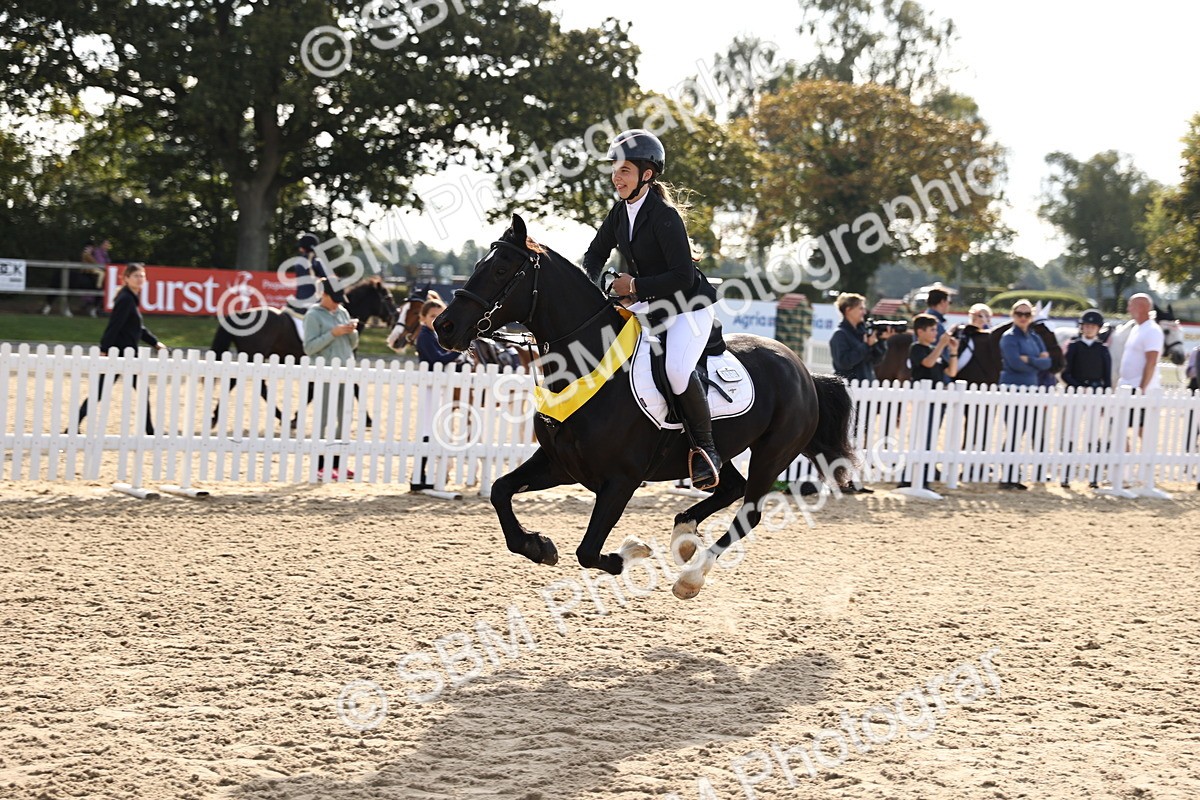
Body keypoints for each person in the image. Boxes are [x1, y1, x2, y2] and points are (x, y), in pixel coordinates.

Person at [580, 128, 722, 490]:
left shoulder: (664, 216)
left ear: (647, 174)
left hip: (689, 306)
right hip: (651, 304)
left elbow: (682, 275)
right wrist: (595, 288)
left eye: (625, 169)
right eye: (615, 168)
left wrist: (635, 286)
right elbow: (595, 256)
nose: (616, 176)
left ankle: (707, 451)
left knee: (675, 369)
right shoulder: (619, 213)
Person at [71, 264, 167, 435]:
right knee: (101, 391)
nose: (140, 279)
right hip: (120, 354)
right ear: (126, 279)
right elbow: (114, 326)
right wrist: (104, 349)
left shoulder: (129, 298)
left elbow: (137, 328)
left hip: (126, 354)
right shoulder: (125, 299)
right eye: (136, 275)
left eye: (142, 276)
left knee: (105, 391)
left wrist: (155, 343)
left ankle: (150, 430)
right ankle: (150, 431)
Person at [303, 277, 359, 481]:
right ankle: (320, 465)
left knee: (345, 419)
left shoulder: (342, 311)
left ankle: (338, 463)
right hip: (325, 372)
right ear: (323, 295)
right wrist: (332, 333)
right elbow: (309, 348)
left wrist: (352, 331)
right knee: (324, 419)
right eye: (333, 298)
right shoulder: (312, 315)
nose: (337, 302)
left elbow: (352, 345)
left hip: (345, 371)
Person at [997, 299, 1051, 490]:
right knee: (1014, 432)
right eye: (1019, 314)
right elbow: (1015, 363)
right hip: (1013, 389)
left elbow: (1048, 362)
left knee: (1035, 430)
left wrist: (1029, 359)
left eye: (1027, 314)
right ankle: (1008, 475)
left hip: (1032, 389)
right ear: (1013, 315)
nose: (1023, 318)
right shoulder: (1009, 337)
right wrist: (1037, 361)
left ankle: (1030, 472)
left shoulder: (1035, 337)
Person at [1060, 309, 1111, 489]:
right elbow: (1065, 373)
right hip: (1076, 391)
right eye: (1086, 326)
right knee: (1071, 433)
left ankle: (1093, 476)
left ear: (1098, 329)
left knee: (1092, 434)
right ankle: (1066, 475)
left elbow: (1107, 377)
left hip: (1096, 392)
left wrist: (1104, 395)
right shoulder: (1074, 346)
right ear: (1082, 327)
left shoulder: (1102, 350)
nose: (1089, 329)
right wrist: (1077, 387)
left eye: (1093, 326)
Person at [1117, 293, 1163, 436]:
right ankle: (1127, 456)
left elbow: (1151, 361)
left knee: (1141, 428)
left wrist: (1142, 388)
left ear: (1142, 307)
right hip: (1128, 386)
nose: (1128, 309)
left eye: (1131, 305)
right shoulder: (1137, 328)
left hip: (1139, 388)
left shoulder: (1152, 330)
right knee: (1121, 426)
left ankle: (1145, 457)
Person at [829, 292, 891, 382]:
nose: (864, 312)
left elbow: (876, 360)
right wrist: (866, 346)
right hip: (848, 388)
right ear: (848, 310)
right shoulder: (840, 334)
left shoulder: (863, 332)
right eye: (860, 308)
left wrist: (882, 341)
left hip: (866, 388)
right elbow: (844, 363)